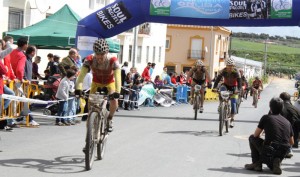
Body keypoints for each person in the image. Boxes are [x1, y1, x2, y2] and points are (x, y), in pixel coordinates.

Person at [75, 38, 121, 132]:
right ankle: (88, 139)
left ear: (107, 52)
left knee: (114, 101)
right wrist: (78, 88)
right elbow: (81, 76)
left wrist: (117, 91)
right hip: (96, 83)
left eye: (102, 54)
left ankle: (110, 119)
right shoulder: (90, 59)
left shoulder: (113, 59)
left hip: (109, 82)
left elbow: (118, 77)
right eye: (97, 54)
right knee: (90, 107)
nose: (99, 57)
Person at [245, 97, 294, 175]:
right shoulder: (287, 122)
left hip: (269, 150)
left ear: (270, 107)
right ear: (282, 108)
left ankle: (257, 163)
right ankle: (276, 161)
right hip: (283, 152)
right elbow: (291, 142)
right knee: (274, 155)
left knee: (252, 138)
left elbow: (255, 135)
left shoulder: (266, 117)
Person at [212, 57, 241, 128]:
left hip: (234, 87)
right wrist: (214, 87)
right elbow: (218, 79)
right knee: (221, 90)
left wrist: (239, 89)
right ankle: (221, 104)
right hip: (225, 85)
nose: (230, 68)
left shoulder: (236, 71)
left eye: (231, 66)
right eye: (228, 66)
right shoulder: (223, 71)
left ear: (233, 66)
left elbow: (239, 81)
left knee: (233, 104)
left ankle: (232, 120)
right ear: (226, 66)